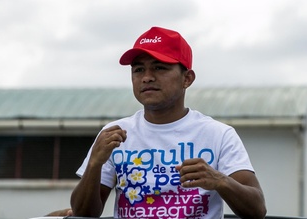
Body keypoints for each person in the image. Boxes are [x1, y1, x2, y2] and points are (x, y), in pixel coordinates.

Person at [70, 26, 267, 218]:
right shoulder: (115, 133)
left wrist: (220, 181)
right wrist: (94, 164)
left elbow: (257, 210)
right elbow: (84, 214)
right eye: (138, 69)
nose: (147, 77)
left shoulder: (218, 134)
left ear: (187, 79)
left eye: (159, 67)